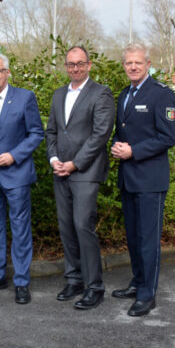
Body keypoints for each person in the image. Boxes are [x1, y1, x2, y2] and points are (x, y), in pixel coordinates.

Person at [110, 43, 175, 317]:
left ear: (148, 64)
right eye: (128, 63)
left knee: (148, 239)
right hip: (128, 178)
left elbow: (168, 137)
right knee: (134, 237)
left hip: (150, 180)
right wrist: (117, 145)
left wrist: (133, 151)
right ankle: (138, 282)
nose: (133, 67)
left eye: (138, 62)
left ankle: (148, 294)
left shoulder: (162, 94)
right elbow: (122, 130)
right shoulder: (124, 94)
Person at [45, 46, 115, 310]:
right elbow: (51, 131)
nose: (75, 68)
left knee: (83, 227)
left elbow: (100, 136)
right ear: (66, 66)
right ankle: (74, 279)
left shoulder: (101, 93)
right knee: (66, 228)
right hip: (60, 171)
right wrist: (54, 160)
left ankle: (94, 286)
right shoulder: (58, 94)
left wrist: (74, 164)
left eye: (80, 63)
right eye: (70, 64)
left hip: (85, 172)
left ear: (89, 65)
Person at [0, 53, 43, 305]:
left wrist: (14, 155)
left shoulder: (25, 97)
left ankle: (22, 281)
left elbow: (36, 133)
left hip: (17, 174)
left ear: (8, 72)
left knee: (20, 229)